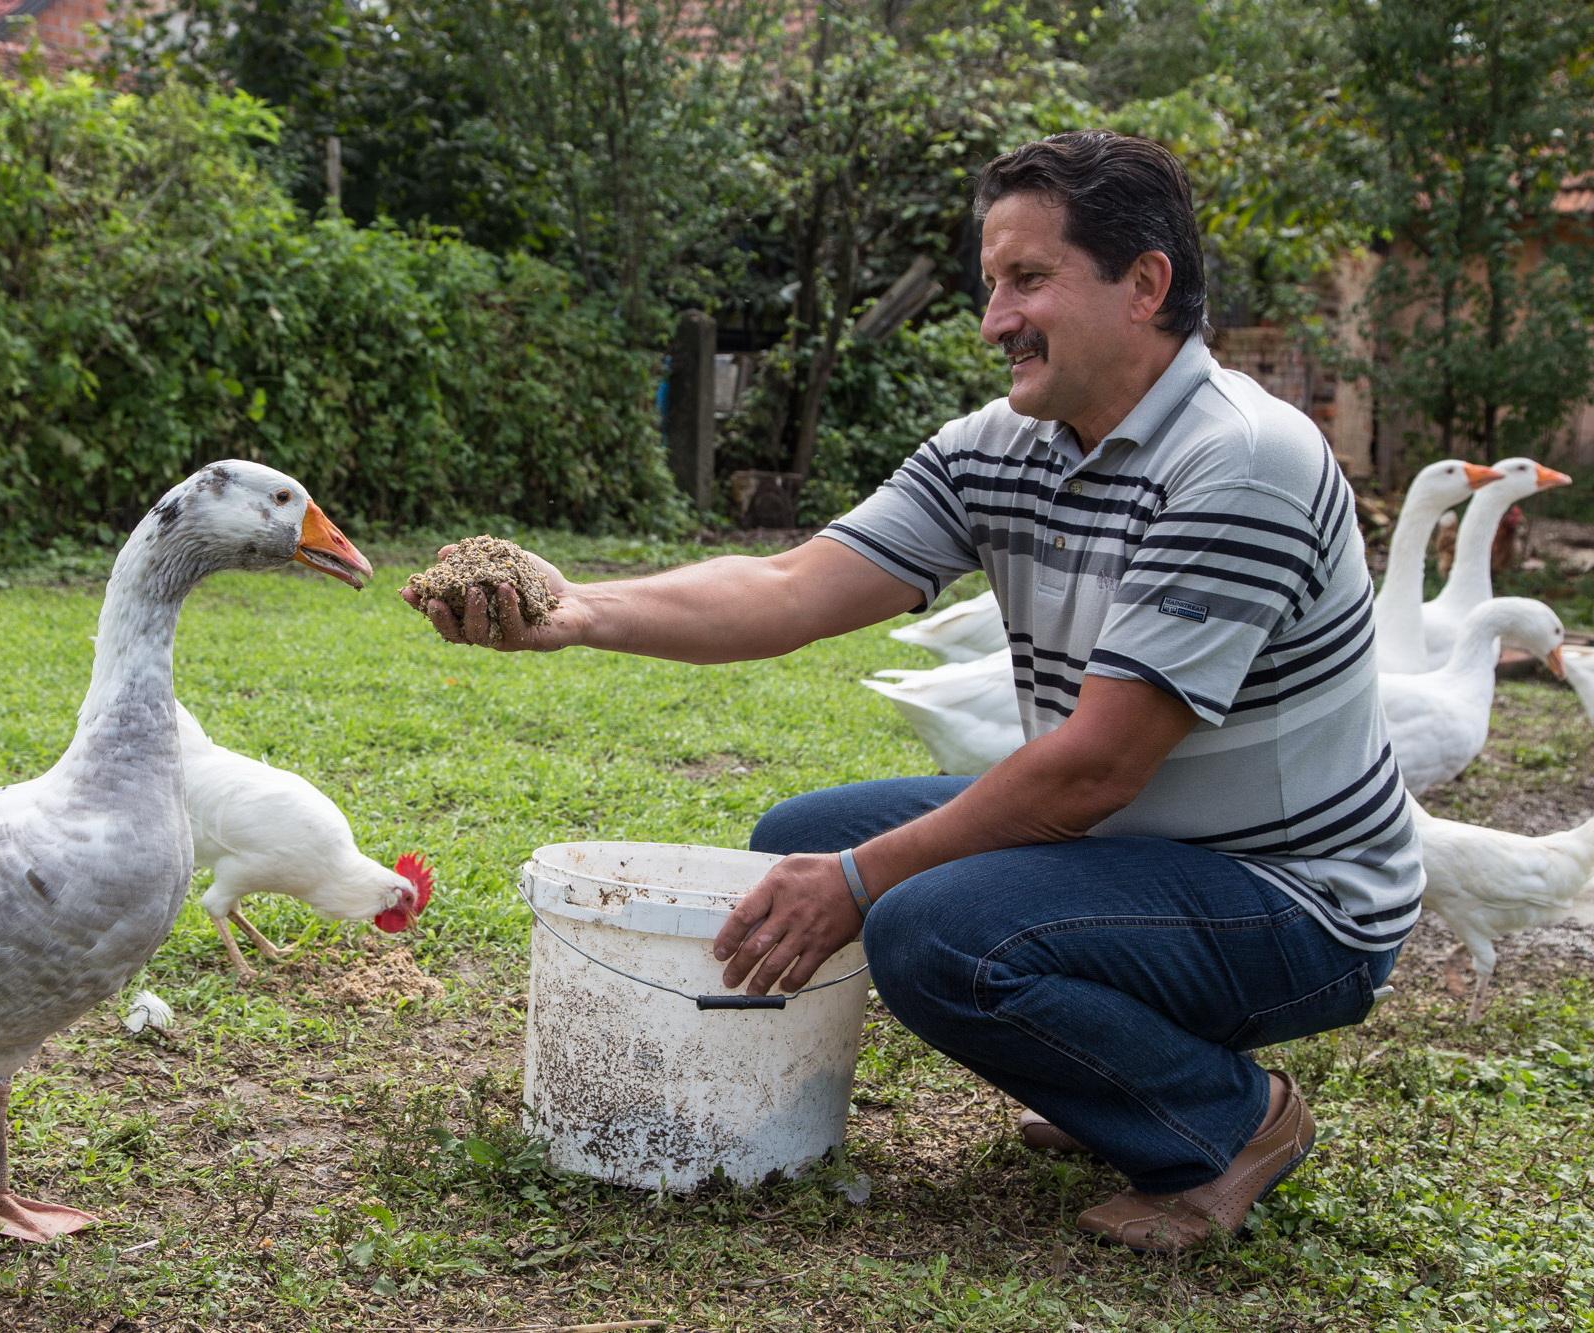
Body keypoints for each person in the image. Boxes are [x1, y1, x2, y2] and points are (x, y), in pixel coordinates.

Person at [403, 130, 1419, 1254]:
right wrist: (579, 613)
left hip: (1292, 900)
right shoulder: (1006, 445)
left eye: (1026, 280)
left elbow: (1096, 766)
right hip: (1134, 854)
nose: (993, 320)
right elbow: (787, 585)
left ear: (1143, 285)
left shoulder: (1239, 459)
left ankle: (1225, 1122)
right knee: (796, 837)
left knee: (928, 927)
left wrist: (860, 880)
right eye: (992, 283)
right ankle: (1118, 1072)